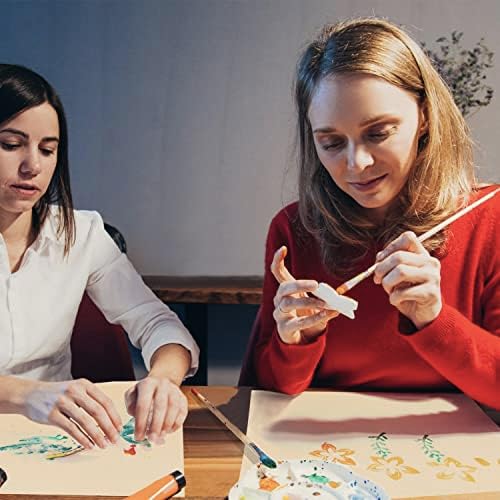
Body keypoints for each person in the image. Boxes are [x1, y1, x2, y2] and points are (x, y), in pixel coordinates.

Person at [247, 18, 500, 409]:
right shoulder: (293, 229)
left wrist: (434, 319)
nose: (357, 163)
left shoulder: (489, 218)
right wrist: (296, 341)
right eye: (331, 142)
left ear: (425, 116)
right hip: (326, 457)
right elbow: (266, 390)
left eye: (378, 133)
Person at [0, 64, 200, 449]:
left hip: (48, 444)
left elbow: (158, 322)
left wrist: (162, 378)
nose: (33, 166)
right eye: (11, 144)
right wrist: (26, 395)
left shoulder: (82, 233)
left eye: (47, 149)